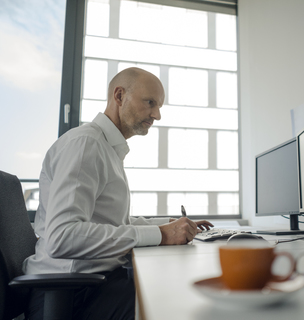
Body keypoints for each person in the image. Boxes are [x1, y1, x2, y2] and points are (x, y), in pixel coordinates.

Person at [23, 67, 213, 319]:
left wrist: (166, 225)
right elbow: (63, 237)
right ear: (119, 96)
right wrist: (160, 234)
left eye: (159, 107)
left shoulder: (107, 149)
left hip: (92, 283)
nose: (157, 115)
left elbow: (110, 224)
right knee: (185, 298)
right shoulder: (86, 144)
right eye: (150, 103)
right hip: (71, 293)